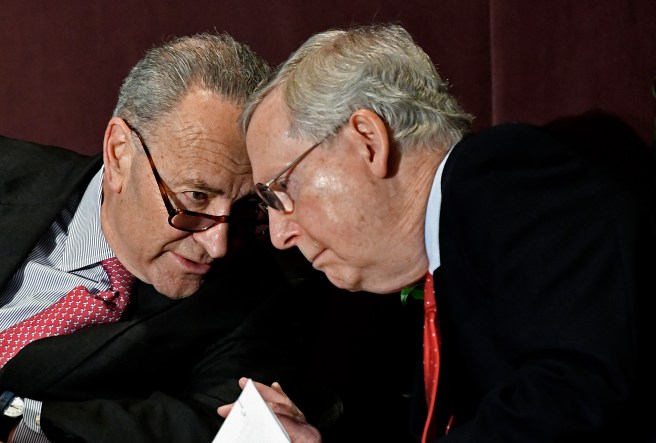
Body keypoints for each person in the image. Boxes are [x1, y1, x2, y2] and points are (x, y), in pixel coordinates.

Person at [222, 23, 656, 442]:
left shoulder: (499, 172)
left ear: (368, 141)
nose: (279, 234)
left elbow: (576, 394)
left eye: (281, 189)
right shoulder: (436, 274)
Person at [0, 32, 323, 442]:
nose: (218, 244)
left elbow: (214, 430)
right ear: (119, 154)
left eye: (248, 207)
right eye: (195, 197)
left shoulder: (259, 295)